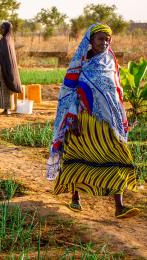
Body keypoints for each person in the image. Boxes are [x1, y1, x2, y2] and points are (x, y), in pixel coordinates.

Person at [46, 24, 139, 219]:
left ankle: (119, 206)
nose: (104, 43)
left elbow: (117, 91)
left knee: (117, 156)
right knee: (79, 155)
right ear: (91, 40)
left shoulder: (112, 62)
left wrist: (123, 115)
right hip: (85, 120)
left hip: (110, 122)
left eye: (107, 39)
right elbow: (69, 91)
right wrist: (73, 118)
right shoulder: (81, 62)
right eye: (100, 39)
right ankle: (75, 198)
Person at [0, 22, 22, 115]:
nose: (0, 30)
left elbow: (2, 55)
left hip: (3, 69)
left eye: (2, 28)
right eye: (0, 28)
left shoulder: (6, 40)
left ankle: (6, 109)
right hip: (2, 67)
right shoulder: (6, 39)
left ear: (7, 29)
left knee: (4, 88)